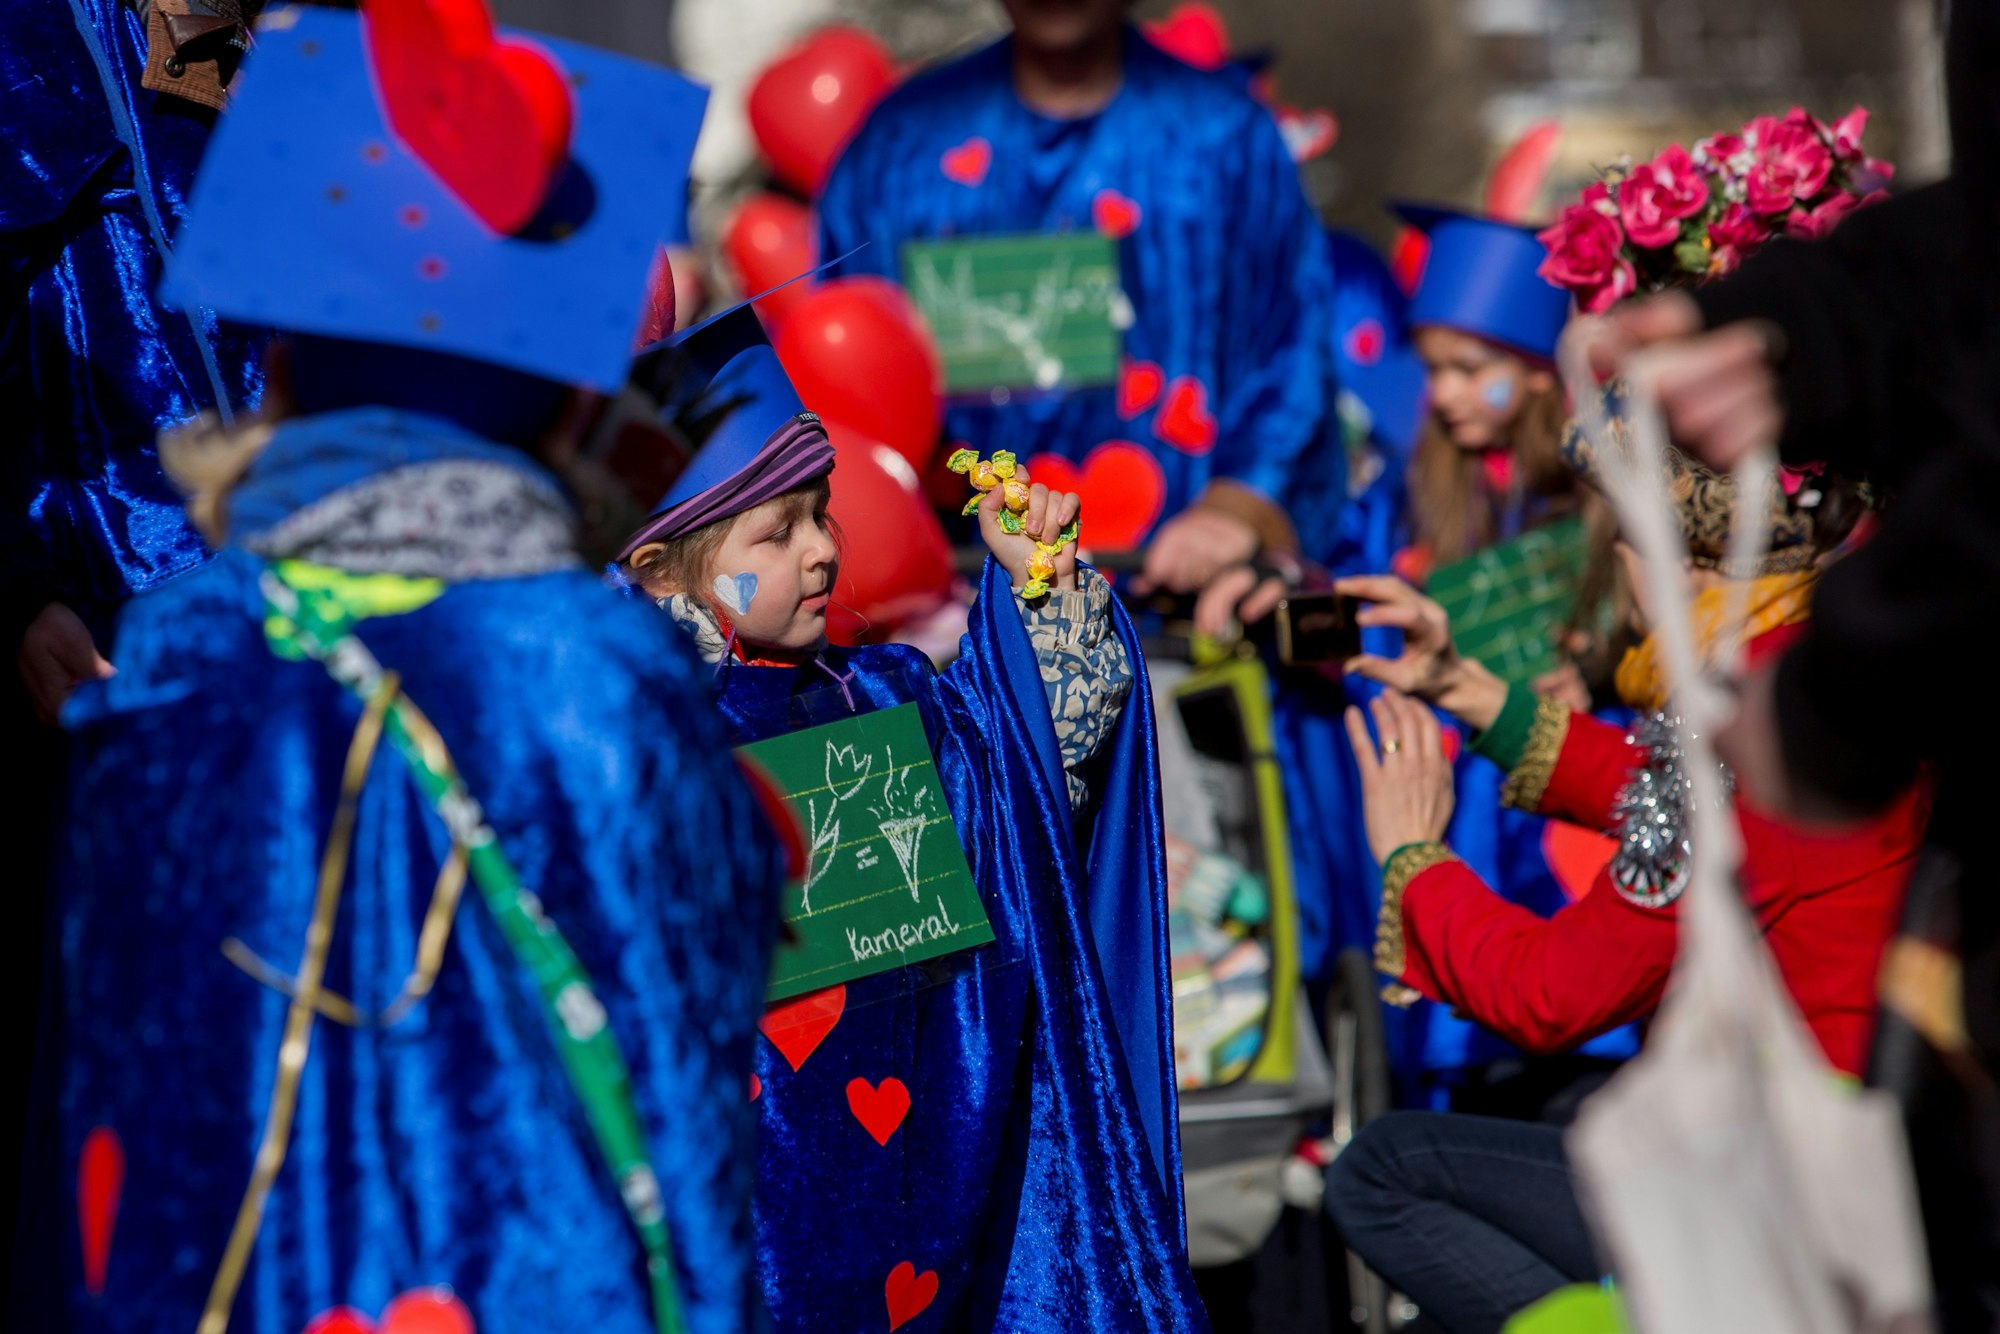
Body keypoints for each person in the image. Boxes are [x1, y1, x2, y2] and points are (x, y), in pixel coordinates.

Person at [18, 9, 782, 1332]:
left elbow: (117, 1090)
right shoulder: (589, 661)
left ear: (288, 366)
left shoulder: (182, 658)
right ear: (566, 396)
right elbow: (687, 1034)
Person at [614, 301, 1207, 1331]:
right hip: (749, 1194)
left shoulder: (881, 694)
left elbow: (1015, 793)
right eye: (776, 529)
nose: (819, 552)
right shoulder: (638, 739)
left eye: (820, 512)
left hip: (928, 1176)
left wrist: (1038, 595)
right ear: (659, 569)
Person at [1321, 427, 1928, 1333]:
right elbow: (1680, 802)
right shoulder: (1827, 666)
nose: (1614, 565)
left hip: (1801, 1196)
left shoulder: (1738, 728)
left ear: (1690, 564)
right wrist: (1475, 694)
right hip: (1887, 1154)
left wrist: (1415, 864)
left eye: (1626, 538)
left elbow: (1552, 992)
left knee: (1381, 1172)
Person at [1199, 207, 1634, 1103]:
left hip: (1570, 814)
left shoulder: (1614, 501)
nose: (1441, 394)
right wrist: (1276, 609)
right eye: (1433, 369)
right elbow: (1353, 610)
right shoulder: (1405, 502)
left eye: (1473, 370)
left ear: (1546, 376)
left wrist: (1603, 670)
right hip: (1457, 805)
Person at [815, 0, 1336, 589]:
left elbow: (1291, 345)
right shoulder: (897, 148)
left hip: (1180, 604)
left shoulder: (1227, 139)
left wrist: (1238, 507)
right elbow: (848, 372)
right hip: (953, 609)